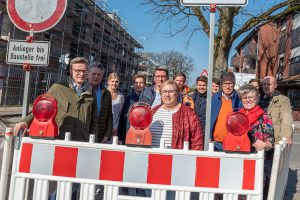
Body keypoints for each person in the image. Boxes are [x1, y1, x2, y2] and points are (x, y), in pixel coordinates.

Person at [14, 57, 98, 141]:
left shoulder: (90, 92)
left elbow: (94, 121)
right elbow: (41, 109)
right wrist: (25, 122)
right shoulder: (58, 88)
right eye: (77, 71)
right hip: (60, 139)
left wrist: (94, 141)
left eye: (84, 71)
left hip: (82, 141)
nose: (81, 74)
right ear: (71, 71)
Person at [237, 84, 275, 199]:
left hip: (257, 163)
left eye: (250, 97)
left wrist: (265, 144)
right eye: (244, 97)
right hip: (239, 161)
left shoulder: (264, 117)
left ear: (256, 98)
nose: (248, 100)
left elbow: (270, 142)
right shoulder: (237, 116)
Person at [150, 80, 203, 150]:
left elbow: (197, 140)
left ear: (177, 93)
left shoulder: (189, 113)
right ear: (160, 94)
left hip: (176, 158)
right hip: (152, 156)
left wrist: (193, 158)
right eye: (164, 91)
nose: (167, 95)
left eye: (171, 91)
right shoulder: (153, 111)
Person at [210, 72, 242, 151]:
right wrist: (208, 136)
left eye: (230, 83)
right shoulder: (214, 98)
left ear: (234, 84)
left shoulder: (239, 99)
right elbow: (209, 118)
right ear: (221, 84)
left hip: (233, 142)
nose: (227, 87)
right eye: (225, 83)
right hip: (215, 143)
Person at [259, 76, 293, 144]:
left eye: (269, 84)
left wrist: (286, 136)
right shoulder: (257, 100)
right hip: (259, 138)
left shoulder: (283, 100)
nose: (266, 86)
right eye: (264, 84)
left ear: (275, 85)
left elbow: (286, 119)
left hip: (274, 140)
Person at [117, 73, 146, 144]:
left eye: (141, 83)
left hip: (143, 135)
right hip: (128, 133)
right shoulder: (129, 99)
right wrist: (119, 136)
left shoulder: (148, 99)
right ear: (133, 85)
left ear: (145, 84)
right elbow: (123, 117)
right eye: (136, 83)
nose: (138, 85)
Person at [88, 63, 113, 143]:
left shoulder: (106, 93)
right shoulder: (82, 90)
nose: (96, 77)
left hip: (100, 136)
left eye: (99, 74)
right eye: (93, 74)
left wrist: (107, 136)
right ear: (88, 74)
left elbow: (109, 116)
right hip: (83, 135)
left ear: (102, 76)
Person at [107, 72, 124, 137]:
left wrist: (116, 127)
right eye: (112, 81)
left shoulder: (121, 96)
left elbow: (120, 114)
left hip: (115, 129)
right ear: (108, 82)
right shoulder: (103, 93)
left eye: (116, 81)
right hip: (102, 128)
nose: (114, 83)